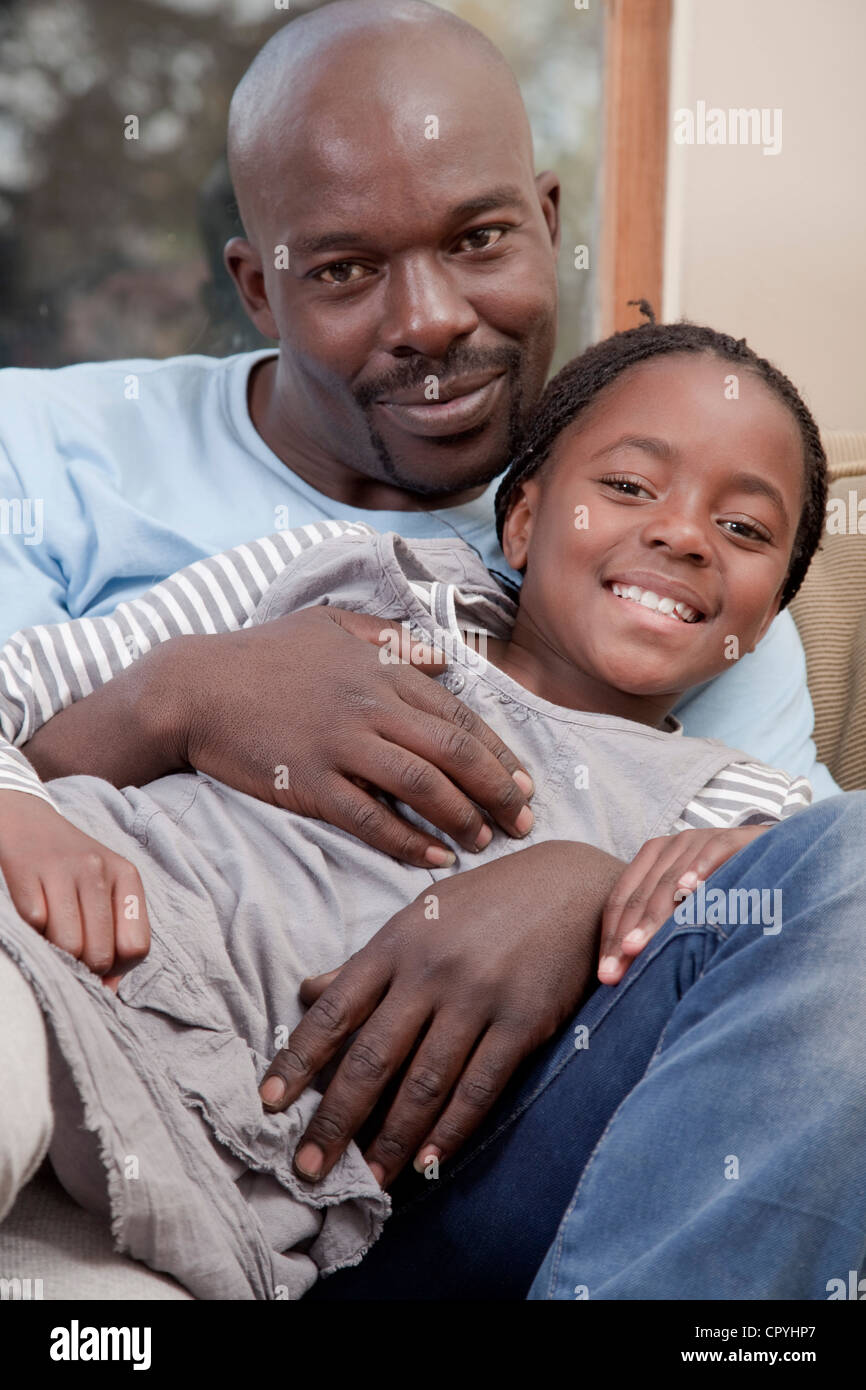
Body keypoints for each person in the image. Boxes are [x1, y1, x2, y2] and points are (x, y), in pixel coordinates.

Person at [2, 319, 862, 1302]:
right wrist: (17, 811)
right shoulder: (346, 577)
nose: (680, 534)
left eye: (744, 530)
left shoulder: (743, 806)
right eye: (626, 486)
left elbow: (792, 958)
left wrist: (688, 881)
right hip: (45, 961)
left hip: (232, 1185)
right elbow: (22, 691)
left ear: (764, 617)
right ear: (522, 520)